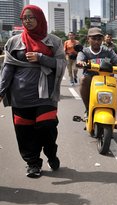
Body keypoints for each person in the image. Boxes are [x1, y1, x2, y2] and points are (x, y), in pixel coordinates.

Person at [0, 5, 66, 178]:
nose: (27, 21)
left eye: (31, 17)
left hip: (46, 95)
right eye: (24, 18)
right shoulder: (14, 41)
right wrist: (1, 91)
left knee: (47, 127)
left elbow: (61, 64)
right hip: (20, 96)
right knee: (24, 132)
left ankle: (51, 153)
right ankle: (33, 163)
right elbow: (7, 69)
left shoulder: (54, 41)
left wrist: (41, 58)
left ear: (39, 18)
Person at [77, 28, 117, 113]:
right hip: (90, 78)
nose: (96, 41)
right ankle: (88, 109)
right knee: (83, 80)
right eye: (93, 39)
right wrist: (80, 63)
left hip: (107, 78)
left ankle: (112, 108)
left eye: (99, 39)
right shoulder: (84, 51)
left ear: (102, 40)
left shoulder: (108, 51)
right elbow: (80, 60)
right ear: (88, 39)